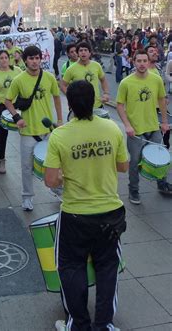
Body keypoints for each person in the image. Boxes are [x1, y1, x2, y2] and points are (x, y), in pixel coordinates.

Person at [44, 80, 129, 331]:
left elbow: (50, 180)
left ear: (69, 104)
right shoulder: (112, 128)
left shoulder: (59, 135)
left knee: (71, 268)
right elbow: (123, 166)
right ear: (94, 101)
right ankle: (104, 325)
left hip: (75, 215)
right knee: (107, 268)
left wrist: (65, 174)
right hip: (110, 214)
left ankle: (78, 325)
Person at [5, 45, 63, 211]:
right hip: (28, 132)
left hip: (48, 130)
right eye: (31, 58)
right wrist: (17, 117)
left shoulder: (50, 77)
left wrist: (59, 120)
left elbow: (57, 98)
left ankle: (57, 189)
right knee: (26, 166)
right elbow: (8, 101)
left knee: (54, 164)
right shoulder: (19, 80)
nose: (35, 61)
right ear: (25, 61)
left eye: (37, 58)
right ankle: (27, 197)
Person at [116, 49, 172, 202]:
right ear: (133, 62)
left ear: (148, 62)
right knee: (134, 162)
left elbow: (162, 100)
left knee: (160, 157)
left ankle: (162, 183)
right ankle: (133, 191)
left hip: (153, 127)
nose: (141, 64)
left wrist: (165, 122)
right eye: (138, 61)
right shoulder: (126, 82)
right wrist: (127, 125)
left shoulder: (156, 79)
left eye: (144, 61)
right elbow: (119, 105)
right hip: (135, 130)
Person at [61, 42, 110, 108]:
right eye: (81, 50)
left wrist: (106, 93)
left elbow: (103, 80)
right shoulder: (71, 69)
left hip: (96, 105)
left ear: (90, 53)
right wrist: (71, 97)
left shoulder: (97, 65)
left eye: (85, 50)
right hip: (79, 107)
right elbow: (63, 85)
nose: (83, 52)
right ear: (78, 53)